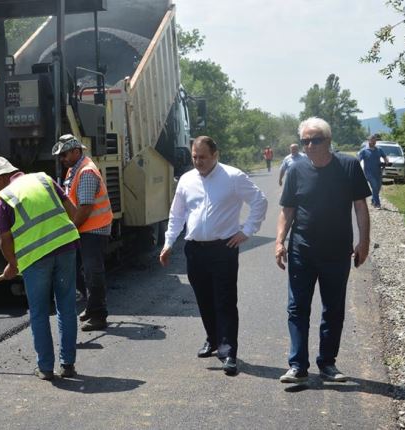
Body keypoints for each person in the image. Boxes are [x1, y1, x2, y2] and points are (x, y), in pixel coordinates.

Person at [159, 136, 268, 376]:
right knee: (204, 298)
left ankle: (228, 351)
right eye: (194, 157)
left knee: (225, 300)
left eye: (203, 157)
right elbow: (177, 214)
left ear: (215, 155)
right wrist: (168, 243)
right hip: (195, 249)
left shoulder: (233, 177)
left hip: (224, 248)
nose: (198, 162)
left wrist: (247, 231)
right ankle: (212, 339)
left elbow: (260, 201)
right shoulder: (187, 180)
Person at [275, 117, 371, 384]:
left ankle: (327, 363)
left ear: (328, 141)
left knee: (333, 309)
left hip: (337, 252)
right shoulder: (296, 170)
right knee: (297, 308)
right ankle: (297, 366)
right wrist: (279, 241)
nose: (310, 145)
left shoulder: (348, 166)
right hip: (301, 251)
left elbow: (360, 207)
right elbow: (288, 210)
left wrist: (363, 242)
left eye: (315, 140)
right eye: (305, 141)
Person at [0, 156, 80, 381]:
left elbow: (5, 240)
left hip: (36, 259)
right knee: (66, 306)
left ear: (2, 178)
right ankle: (68, 365)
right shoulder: (44, 179)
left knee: (39, 312)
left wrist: (12, 264)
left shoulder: (3, 199)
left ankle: (46, 368)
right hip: (66, 249)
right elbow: (72, 210)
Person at [52, 134, 113, 332]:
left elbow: (85, 208)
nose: (62, 159)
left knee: (92, 272)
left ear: (76, 151)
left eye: (64, 155)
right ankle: (91, 306)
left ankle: (98, 315)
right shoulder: (74, 169)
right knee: (79, 270)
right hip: (85, 229)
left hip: (94, 229)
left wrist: (70, 229)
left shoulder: (86, 172)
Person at [357, 134, 389, 208]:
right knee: (374, 187)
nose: (374, 142)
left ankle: (373, 200)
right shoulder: (364, 151)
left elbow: (384, 156)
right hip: (369, 173)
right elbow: (358, 160)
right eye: (372, 141)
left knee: (378, 188)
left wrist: (386, 161)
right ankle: (377, 204)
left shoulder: (379, 149)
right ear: (369, 141)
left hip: (378, 172)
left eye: (375, 141)